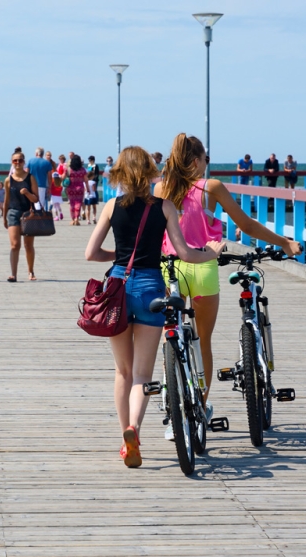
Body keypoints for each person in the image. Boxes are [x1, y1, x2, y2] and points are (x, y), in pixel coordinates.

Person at [85, 145, 225, 468]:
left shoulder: (110, 206)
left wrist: (118, 260)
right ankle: (135, 426)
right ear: (149, 172)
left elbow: (91, 253)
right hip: (151, 288)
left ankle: (126, 438)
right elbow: (186, 253)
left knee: (122, 371)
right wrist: (213, 253)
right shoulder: (164, 207)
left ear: (120, 173)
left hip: (118, 287)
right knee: (141, 375)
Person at [155, 133, 302, 439]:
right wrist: (284, 242)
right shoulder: (212, 188)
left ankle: (173, 413)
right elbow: (246, 225)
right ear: (196, 161)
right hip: (203, 268)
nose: (207, 165)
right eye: (205, 159)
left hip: (169, 268)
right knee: (202, 341)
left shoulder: (160, 188)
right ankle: (200, 408)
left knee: (173, 338)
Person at [3, 151, 40, 281]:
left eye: (20, 160)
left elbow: (36, 199)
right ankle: (14, 274)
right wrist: (4, 217)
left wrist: (27, 193)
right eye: (15, 161)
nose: (17, 163)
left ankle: (30, 271)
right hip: (13, 213)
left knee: (28, 245)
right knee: (14, 245)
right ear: (12, 162)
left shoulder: (30, 178)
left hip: (28, 213)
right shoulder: (8, 180)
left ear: (24, 162)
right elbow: (6, 200)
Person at [66, 154, 87, 225]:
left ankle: (72, 219)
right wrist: (88, 188)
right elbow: (86, 180)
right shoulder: (83, 170)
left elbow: (63, 177)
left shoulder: (69, 169)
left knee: (72, 203)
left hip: (71, 188)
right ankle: (76, 218)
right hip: (80, 188)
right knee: (78, 203)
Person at [85, 156, 101, 223]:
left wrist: (94, 179)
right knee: (89, 207)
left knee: (94, 191)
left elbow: (97, 173)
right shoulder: (88, 165)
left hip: (93, 180)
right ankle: (90, 218)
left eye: (90, 160)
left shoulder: (95, 165)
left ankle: (91, 218)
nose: (89, 161)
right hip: (90, 180)